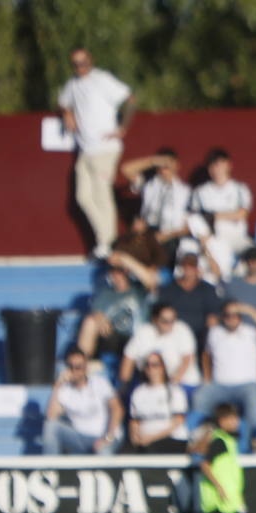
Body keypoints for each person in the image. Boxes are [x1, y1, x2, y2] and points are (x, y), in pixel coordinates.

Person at [59, 47, 135, 259]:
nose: (80, 67)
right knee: (82, 197)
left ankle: (108, 243)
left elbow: (130, 99)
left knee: (102, 194)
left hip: (105, 148)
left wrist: (123, 128)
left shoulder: (102, 80)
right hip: (85, 150)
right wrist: (68, 114)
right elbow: (64, 102)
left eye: (83, 62)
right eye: (76, 64)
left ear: (91, 61)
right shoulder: (72, 85)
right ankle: (105, 239)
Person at [194, 301, 256, 439]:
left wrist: (249, 310)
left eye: (235, 315)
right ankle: (200, 440)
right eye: (227, 315)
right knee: (200, 397)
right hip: (219, 385)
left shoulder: (250, 332)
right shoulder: (215, 332)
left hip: (247, 385)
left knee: (254, 410)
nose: (231, 318)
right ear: (222, 316)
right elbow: (206, 355)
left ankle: (249, 443)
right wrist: (207, 377)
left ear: (240, 316)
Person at [43, 351, 123, 455]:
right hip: (80, 437)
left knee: (103, 450)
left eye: (78, 367)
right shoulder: (64, 389)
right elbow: (51, 417)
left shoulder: (99, 383)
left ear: (86, 368)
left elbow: (117, 409)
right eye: (70, 366)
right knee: (51, 427)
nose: (74, 371)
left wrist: (108, 437)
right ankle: (50, 469)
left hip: (104, 435)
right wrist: (57, 386)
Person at [76, 255, 153, 361]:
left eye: (120, 271)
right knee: (90, 321)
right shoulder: (104, 294)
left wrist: (124, 259)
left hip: (136, 337)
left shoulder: (139, 289)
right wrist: (97, 317)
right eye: (113, 271)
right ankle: (81, 364)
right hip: (113, 338)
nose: (117, 275)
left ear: (128, 272)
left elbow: (151, 280)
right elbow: (96, 312)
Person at [121, 148, 191, 260]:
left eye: (169, 163)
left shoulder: (185, 192)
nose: (165, 167)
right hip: (147, 233)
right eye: (162, 164)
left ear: (177, 165)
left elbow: (189, 227)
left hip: (171, 237)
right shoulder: (149, 185)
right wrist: (153, 161)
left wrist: (167, 235)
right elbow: (126, 169)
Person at [189, 148, 253, 258]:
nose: (216, 169)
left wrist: (213, 216)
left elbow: (242, 214)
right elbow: (196, 217)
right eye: (212, 165)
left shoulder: (240, 189)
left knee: (253, 252)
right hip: (211, 239)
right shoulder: (200, 192)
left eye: (219, 164)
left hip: (237, 238)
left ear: (229, 165)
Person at [121, 303, 200, 388]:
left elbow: (187, 360)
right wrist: (125, 386)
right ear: (154, 320)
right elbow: (128, 359)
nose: (170, 324)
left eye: (172, 320)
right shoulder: (143, 332)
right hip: (150, 385)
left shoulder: (182, 329)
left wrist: (171, 385)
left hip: (184, 383)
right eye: (165, 321)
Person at [156, 252, 222, 348]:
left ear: (197, 269)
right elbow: (161, 313)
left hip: (199, 338)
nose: (189, 270)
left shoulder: (208, 289)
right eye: (186, 266)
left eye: (192, 266)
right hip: (173, 337)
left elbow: (213, 317)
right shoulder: (169, 289)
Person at [126, 353, 189, 454]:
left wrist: (151, 438)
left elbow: (178, 421)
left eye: (155, 365)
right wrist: (135, 438)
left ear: (163, 367)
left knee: (150, 450)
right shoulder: (139, 392)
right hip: (145, 439)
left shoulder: (174, 391)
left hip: (171, 438)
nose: (150, 368)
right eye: (147, 365)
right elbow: (134, 421)